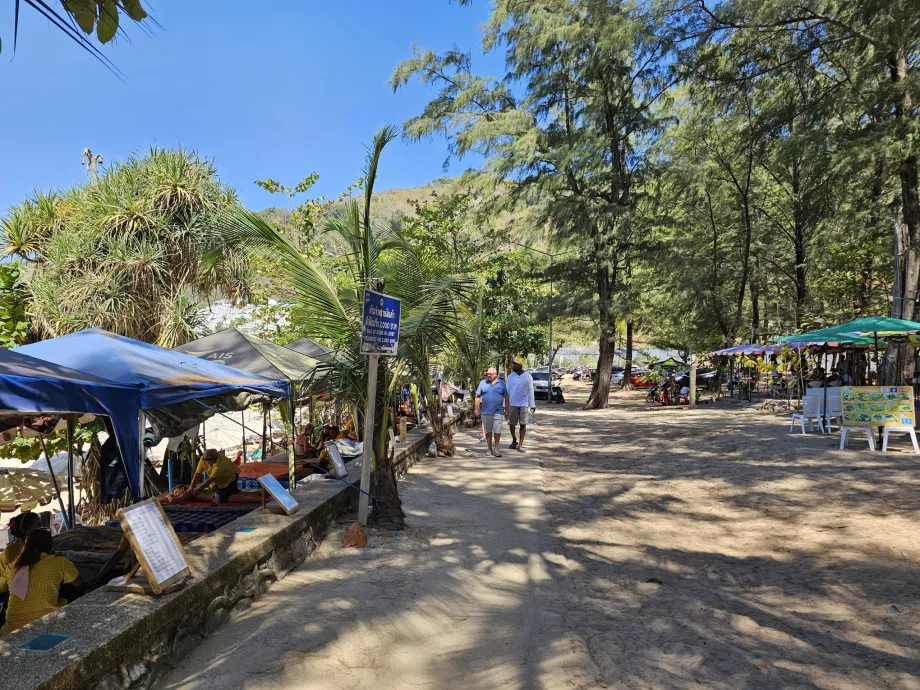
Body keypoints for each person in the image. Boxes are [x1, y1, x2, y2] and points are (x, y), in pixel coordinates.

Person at [0, 529, 81, 636]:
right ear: (50, 546)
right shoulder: (59, 562)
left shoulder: (13, 566)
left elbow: (2, 588)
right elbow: (78, 583)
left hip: (10, 631)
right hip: (44, 625)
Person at [475, 367, 509, 458]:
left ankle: (496, 448)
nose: (488, 375)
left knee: (497, 431)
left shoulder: (502, 384)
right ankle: (489, 448)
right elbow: (477, 396)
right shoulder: (482, 383)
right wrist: (476, 409)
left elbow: (506, 397)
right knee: (488, 432)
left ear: (495, 374)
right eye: (487, 374)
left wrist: (507, 409)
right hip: (486, 412)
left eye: (490, 374)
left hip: (498, 412)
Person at [506, 357, 536, 452]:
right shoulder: (511, 377)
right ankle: (514, 439)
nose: (513, 366)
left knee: (523, 424)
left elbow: (531, 391)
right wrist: (505, 406)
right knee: (511, 424)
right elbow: (507, 392)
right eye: (512, 364)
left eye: (515, 364)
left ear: (520, 365)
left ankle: (520, 445)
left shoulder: (528, 376)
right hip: (512, 403)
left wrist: (532, 404)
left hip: (523, 403)